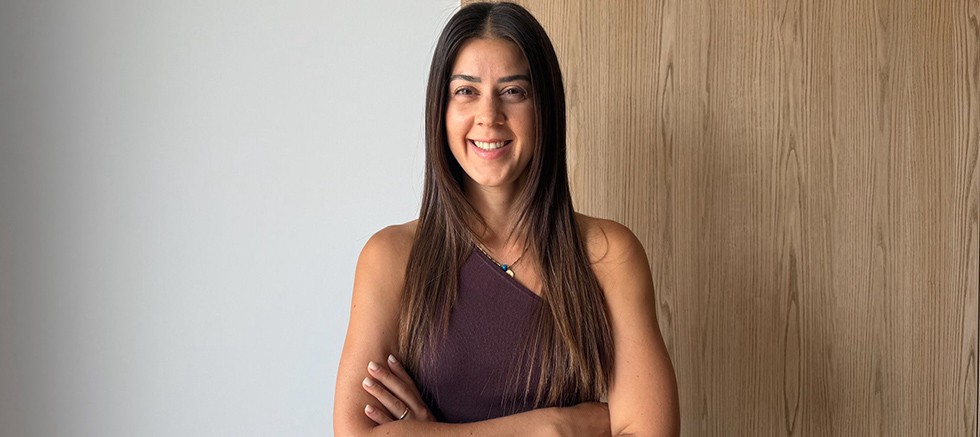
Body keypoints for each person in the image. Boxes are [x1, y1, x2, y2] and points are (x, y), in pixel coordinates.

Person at [333, 2, 679, 435]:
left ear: (544, 107)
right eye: (466, 91)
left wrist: (427, 432)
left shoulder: (608, 255)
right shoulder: (390, 257)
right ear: (440, 110)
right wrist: (554, 426)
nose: (489, 116)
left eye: (513, 91)